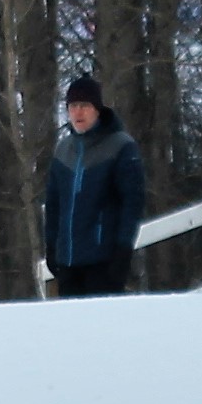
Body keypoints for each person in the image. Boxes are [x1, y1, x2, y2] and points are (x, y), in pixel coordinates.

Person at [41, 75, 146, 297]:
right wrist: (51, 247)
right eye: (73, 106)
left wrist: (123, 249)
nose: (78, 112)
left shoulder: (120, 146)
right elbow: (53, 205)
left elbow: (132, 202)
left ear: (97, 109)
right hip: (68, 263)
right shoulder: (63, 150)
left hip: (103, 261)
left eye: (84, 106)